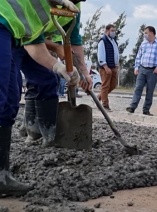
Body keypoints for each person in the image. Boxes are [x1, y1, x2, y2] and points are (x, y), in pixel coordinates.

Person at [0, 0, 81, 196]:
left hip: (12, 36)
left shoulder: (50, 13)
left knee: (10, 101)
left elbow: (35, 44)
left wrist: (58, 67)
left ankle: (2, 176)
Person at [21, 1, 92, 148]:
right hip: (22, 37)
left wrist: (84, 72)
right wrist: (56, 48)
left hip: (38, 40)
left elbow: (75, 39)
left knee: (41, 80)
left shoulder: (75, 6)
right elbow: (30, 34)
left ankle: (33, 129)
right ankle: (41, 132)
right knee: (45, 79)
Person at [126, 26, 157, 116]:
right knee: (138, 88)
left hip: (153, 71)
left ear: (152, 33)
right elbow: (138, 56)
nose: (144, 35)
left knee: (150, 90)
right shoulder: (143, 44)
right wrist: (136, 67)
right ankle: (132, 107)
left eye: (146, 32)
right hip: (142, 69)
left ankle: (146, 109)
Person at [97, 24, 120, 112]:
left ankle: (98, 98)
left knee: (113, 85)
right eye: (112, 30)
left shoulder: (114, 41)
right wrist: (105, 66)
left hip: (113, 66)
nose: (113, 32)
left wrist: (117, 64)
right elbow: (101, 55)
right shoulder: (103, 41)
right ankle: (105, 105)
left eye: (114, 30)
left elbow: (116, 53)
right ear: (107, 31)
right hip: (105, 67)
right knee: (105, 85)